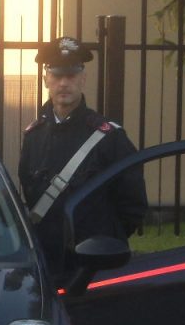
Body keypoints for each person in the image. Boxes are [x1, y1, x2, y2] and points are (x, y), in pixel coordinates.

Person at [18, 36, 148, 276]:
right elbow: (29, 190)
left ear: (83, 79)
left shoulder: (108, 137)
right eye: (57, 75)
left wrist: (104, 240)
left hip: (93, 266)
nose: (64, 83)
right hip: (46, 262)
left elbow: (133, 204)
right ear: (47, 79)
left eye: (71, 75)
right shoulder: (33, 137)